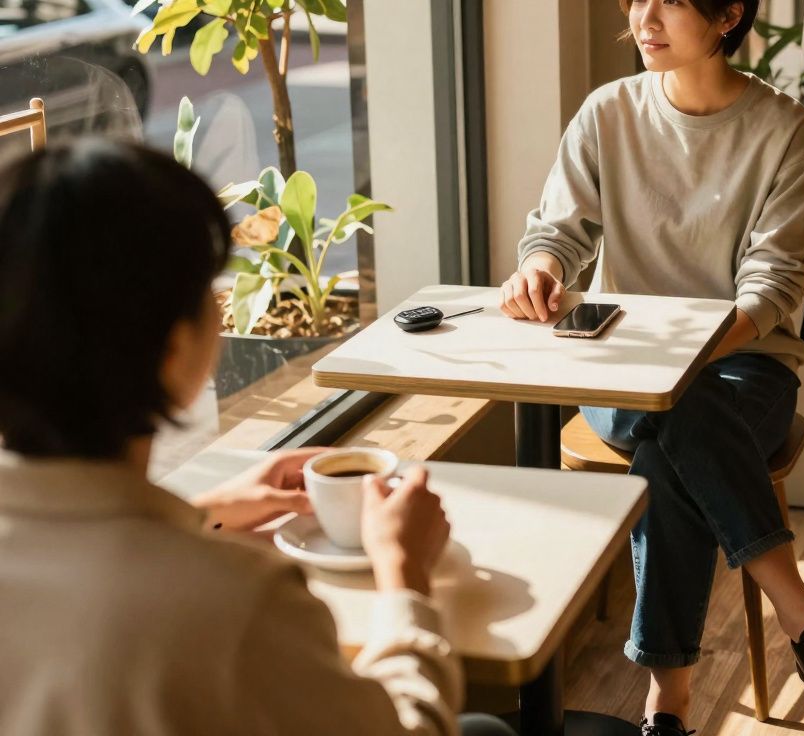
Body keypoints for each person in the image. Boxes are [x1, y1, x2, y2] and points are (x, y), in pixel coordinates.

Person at [0, 140, 514, 736]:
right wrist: (406, 577)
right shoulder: (237, 606)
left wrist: (201, 513)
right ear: (173, 350)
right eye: (208, 294)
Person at [497, 0, 804, 732]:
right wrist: (541, 268)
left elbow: (772, 286)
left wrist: (678, 360)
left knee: (669, 438)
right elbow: (558, 230)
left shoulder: (782, 130)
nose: (642, 18)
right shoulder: (606, 113)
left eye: (667, 1)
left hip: (746, 373)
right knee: (669, 413)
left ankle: (665, 707)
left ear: (727, 13)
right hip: (621, 374)